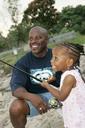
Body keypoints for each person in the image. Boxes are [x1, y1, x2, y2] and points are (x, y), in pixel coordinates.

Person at [9, 26, 62, 128]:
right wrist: (32, 97)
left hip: (60, 94)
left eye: (38, 38)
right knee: (15, 108)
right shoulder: (22, 62)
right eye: (31, 38)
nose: (33, 41)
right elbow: (16, 89)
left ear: (46, 40)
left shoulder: (58, 54)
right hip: (36, 100)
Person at [40, 42, 85, 128]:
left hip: (79, 116)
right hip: (75, 111)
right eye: (52, 57)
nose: (51, 60)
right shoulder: (73, 71)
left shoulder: (69, 77)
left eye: (56, 58)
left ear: (69, 62)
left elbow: (61, 96)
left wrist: (47, 86)